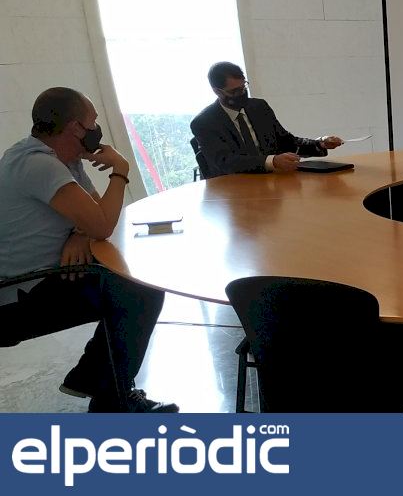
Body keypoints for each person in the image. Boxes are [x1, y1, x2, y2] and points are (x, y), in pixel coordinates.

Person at [0, 88, 177, 412]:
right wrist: (120, 169)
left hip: (45, 277)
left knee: (130, 283)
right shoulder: (38, 165)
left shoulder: (64, 161)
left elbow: (97, 216)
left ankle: (97, 382)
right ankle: (108, 398)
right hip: (17, 296)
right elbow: (104, 225)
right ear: (76, 128)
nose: (97, 129)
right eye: (92, 122)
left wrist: (80, 232)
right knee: (139, 290)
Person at [191, 62, 344, 178]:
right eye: (235, 91)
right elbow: (225, 161)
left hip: (272, 183)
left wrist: (320, 143)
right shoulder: (204, 123)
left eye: (244, 87)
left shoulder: (259, 107)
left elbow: (286, 141)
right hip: (233, 190)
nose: (242, 93)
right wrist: (272, 161)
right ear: (217, 91)